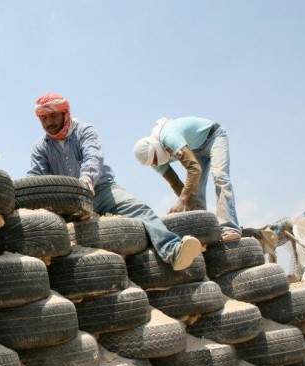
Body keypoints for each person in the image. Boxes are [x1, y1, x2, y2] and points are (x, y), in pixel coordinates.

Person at [28, 93, 202, 271]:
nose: (48, 123)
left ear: (65, 113)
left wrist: (86, 181)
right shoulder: (41, 147)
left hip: (101, 190)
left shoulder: (84, 131)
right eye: (44, 118)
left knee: (138, 208)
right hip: (67, 202)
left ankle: (173, 250)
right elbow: (37, 178)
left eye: (53, 116)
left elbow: (93, 157)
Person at [133, 117, 241, 242]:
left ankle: (229, 228)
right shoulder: (154, 162)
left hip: (213, 137)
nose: (156, 164)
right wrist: (187, 205)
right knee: (195, 192)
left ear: (156, 148)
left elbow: (194, 169)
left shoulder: (170, 137)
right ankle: (203, 231)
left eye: (155, 160)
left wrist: (181, 201)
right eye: (152, 163)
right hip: (195, 149)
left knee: (220, 176)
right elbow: (176, 184)